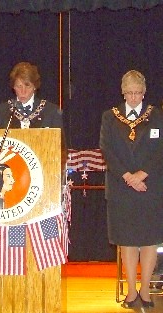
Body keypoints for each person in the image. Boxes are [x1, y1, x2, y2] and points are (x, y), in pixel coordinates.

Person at [99, 70, 163, 309]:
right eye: (130, 93)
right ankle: (130, 292)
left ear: (144, 92)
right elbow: (107, 150)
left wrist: (141, 175)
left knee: (148, 240)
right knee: (126, 240)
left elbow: (160, 151)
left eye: (138, 93)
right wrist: (128, 177)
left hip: (151, 187)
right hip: (121, 187)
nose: (134, 98)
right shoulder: (110, 117)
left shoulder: (157, 115)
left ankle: (146, 291)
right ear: (123, 92)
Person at [0, 61, 63, 130]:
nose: (23, 91)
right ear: (13, 87)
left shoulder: (51, 112)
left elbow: (59, 143)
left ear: (35, 86)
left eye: (27, 86)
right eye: (19, 86)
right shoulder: (1, 112)